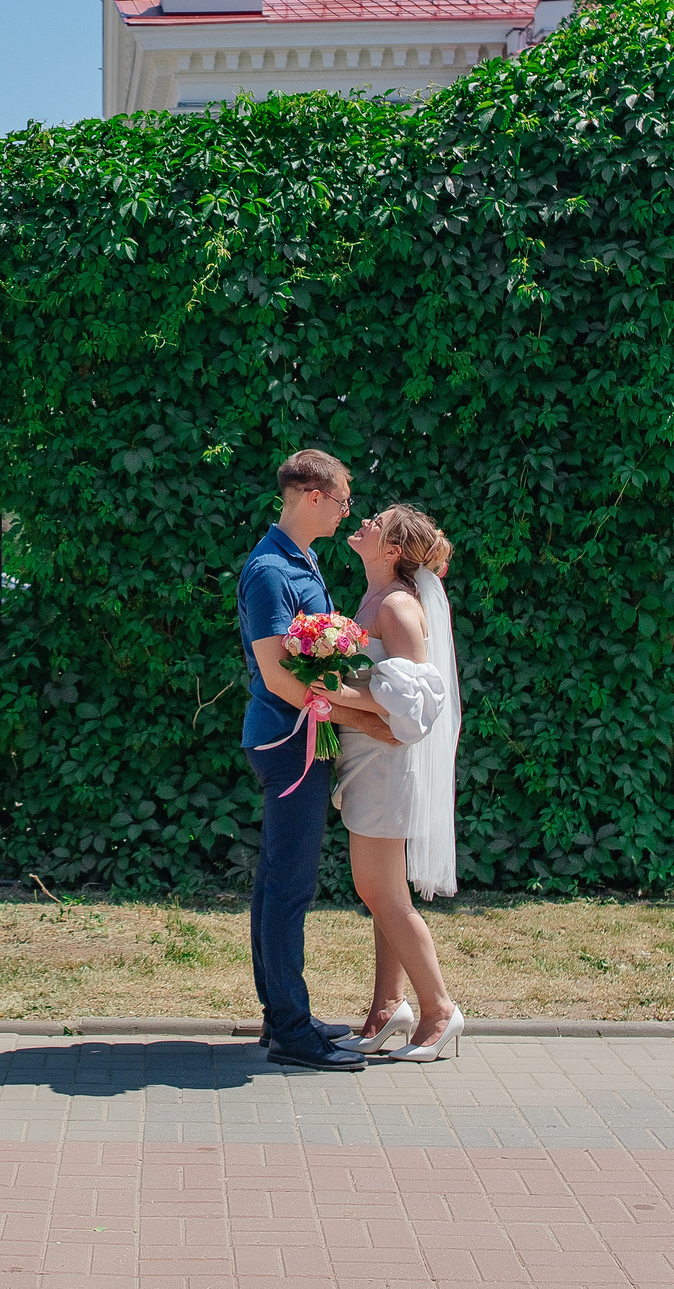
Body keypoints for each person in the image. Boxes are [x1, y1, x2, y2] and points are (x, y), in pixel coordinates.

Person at [236, 449, 398, 1072]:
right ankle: (290, 1032)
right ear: (310, 495)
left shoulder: (299, 561)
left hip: (303, 736)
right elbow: (278, 676)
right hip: (287, 740)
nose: (346, 511)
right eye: (342, 500)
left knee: (280, 880)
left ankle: (284, 1018)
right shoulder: (270, 569)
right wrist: (364, 718)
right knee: (289, 886)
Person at [334, 504, 466, 1061]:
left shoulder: (397, 606)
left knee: (378, 891)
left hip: (389, 764)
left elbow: (416, 701)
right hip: (366, 758)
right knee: (386, 892)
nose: (362, 522)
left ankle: (439, 1011)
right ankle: (387, 1008)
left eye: (377, 522)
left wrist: (337, 693)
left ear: (391, 550)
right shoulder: (375, 597)